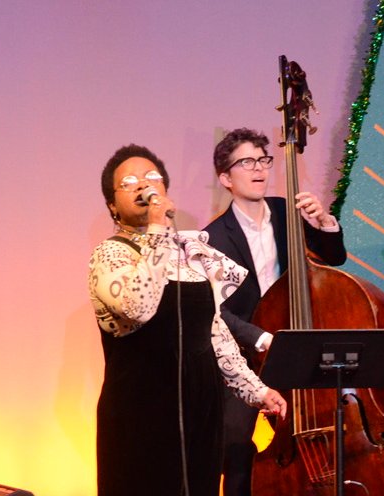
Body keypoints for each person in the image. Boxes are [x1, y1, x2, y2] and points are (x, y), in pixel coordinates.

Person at [88, 144, 287, 496]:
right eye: (129, 182)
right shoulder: (110, 254)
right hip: (142, 408)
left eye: (152, 177)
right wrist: (156, 230)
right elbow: (138, 307)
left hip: (201, 406)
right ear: (112, 206)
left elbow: (214, 331)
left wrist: (257, 390)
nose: (142, 185)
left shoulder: (188, 254)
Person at [203, 128, 347, 496]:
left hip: (296, 344)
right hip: (247, 354)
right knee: (235, 444)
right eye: (246, 162)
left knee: (326, 429)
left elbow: (334, 258)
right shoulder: (213, 238)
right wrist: (261, 338)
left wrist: (324, 223)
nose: (259, 169)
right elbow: (216, 312)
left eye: (263, 160)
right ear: (225, 178)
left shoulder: (286, 212)